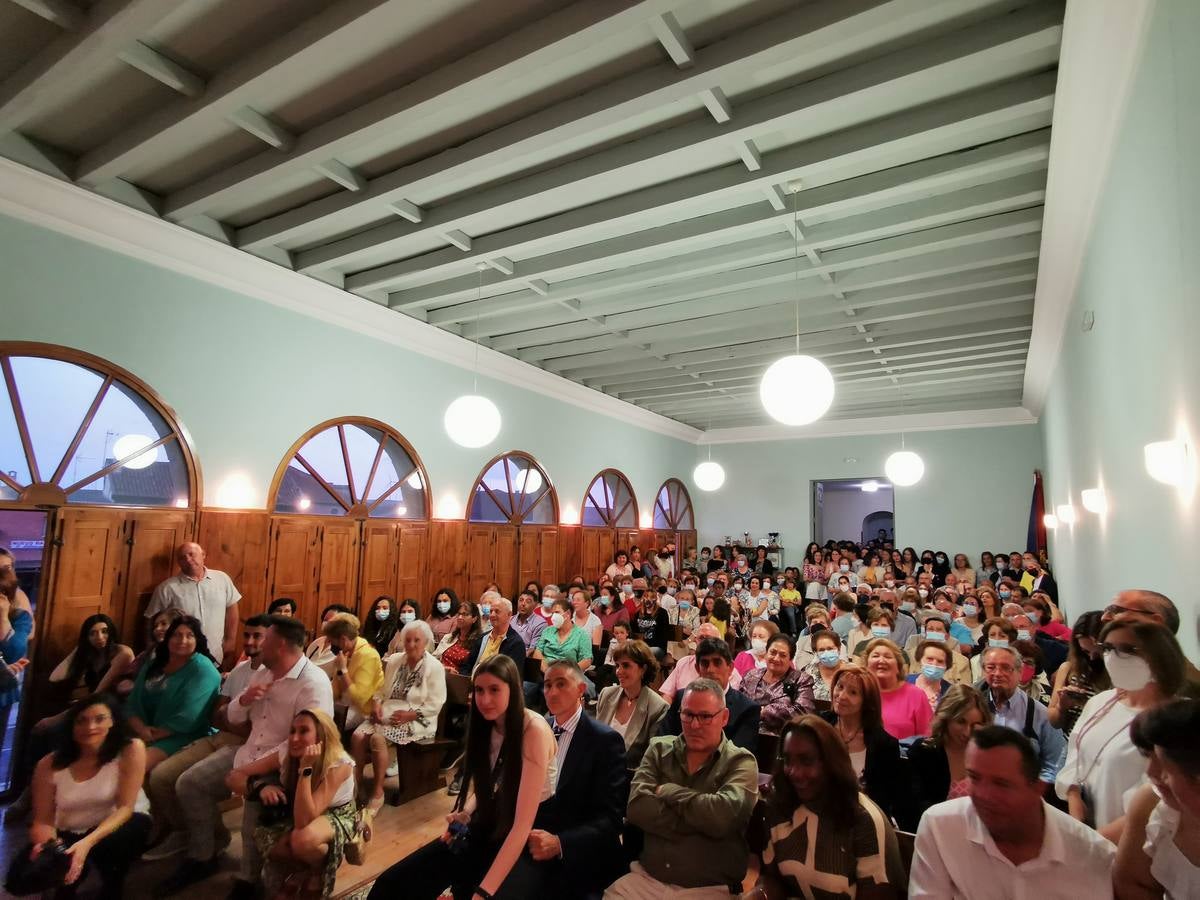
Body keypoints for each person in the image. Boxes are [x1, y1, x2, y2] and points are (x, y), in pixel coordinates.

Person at [161, 615, 334, 898]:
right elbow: (230, 716)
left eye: (263, 640)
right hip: (247, 751)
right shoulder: (263, 672)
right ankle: (205, 854)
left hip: (282, 765)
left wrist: (250, 772)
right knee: (190, 784)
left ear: (278, 645)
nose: (255, 646)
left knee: (253, 816)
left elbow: (307, 744)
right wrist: (245, 699)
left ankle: (248, 881)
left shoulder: (312, 683)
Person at [368, 655, 556, 900]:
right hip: (493, 814)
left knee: (470, 886)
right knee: (393, 883)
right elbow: (490, 785)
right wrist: (464, 815)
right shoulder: (487, 724)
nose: (485, 699)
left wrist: (483, 893)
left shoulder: (533, 730)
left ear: (515, 689)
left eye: (495, 690)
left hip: (529, 825)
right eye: (479, 690)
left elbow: (521, 825)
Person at [909, 726, 1115, 899]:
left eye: (1001, 784)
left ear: (1037, 789)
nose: (983, 795)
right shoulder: (941, 826)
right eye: (974, 777)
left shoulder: (1093, 856)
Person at [606, 678, 758, 898]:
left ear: (724, 717)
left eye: (705, 716)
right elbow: (636, 808)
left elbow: (722, 819)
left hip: (708, 888)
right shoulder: (659, 749)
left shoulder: (740, 762)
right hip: (646, 879)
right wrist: (701, 824)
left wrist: (668, 791)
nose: (694, 725)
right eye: (687, 714)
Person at [142, 615, 269, 862]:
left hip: (242, 745)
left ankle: (205, 849)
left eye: (257, 636)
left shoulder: (268, 675)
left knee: (189, 783)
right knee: (160, 777)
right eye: (247, 635)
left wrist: (230, 717)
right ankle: (187, 831)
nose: (250, 641)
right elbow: (215, 714)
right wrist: (230, 718)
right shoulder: (240, 671)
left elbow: (255, 728)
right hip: (218, 736)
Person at [750, 715, 904, 899]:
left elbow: (877, 893)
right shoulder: (780, 807)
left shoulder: (862, 819)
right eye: (787, 760)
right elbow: (773, 878)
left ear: (831, 763)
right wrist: (759, 895)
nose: (794, 772)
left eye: (806, 761)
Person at [1056, 621, 1188, 833]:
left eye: (1125, 649)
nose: (1112, 656)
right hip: (1089, 830)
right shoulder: (1101, 702)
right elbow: (1075, 755)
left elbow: (1157, 802)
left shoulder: (1176, 721)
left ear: (1157, 656)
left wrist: (1094, 843)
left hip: (1134, 840)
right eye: (1107, 648)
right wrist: (1075, 801)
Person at [19, 694, 151, 899]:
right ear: (70, 726)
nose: (90, 727)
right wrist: (53, 848)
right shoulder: (48, 764)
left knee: (116, 846)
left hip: (118, 821)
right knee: (58, 879)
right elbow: (43, 819)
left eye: (100, 719)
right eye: (81, 720)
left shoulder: (131, 748)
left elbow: (125, 807)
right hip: (69, 827)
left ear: (113, 721)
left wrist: (86, 844)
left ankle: (113, 883)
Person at [229, 709, 356, 898]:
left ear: (321, 735)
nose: (295, 738)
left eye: (304, 731)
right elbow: (234, 776)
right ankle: (307, 869)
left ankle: (316, 874)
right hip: (301, 810)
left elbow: (303, 821)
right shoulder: (285, 751)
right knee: (269, 842)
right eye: (292, 731)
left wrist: (306, 768)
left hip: (337, 813)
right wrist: (260, 787)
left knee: (302, 840)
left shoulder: (339, 764)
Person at [529, 660, 630, 899]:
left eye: (561, 684)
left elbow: (611, 820)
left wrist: (560, 843)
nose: (552, 692)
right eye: (547, 685)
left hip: (580, 854)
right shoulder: (537, 730)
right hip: (534, 843)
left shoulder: (605, 741)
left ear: (581, 690)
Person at [351, 619, 446, 812]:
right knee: (358, 736)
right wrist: (377, 703)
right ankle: (356, 785)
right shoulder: (395, 661)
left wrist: (410, 715)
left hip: (418, 717)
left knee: (377, 739)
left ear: (426, 641)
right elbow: (381, 690)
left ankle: (378, 792)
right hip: (389, 712)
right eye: (408, 640)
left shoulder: (434, 667)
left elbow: (436, 703)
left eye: (416, 640)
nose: (411, 645)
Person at [1116, 698, 1200, 900]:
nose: (1152, 773)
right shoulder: (1153, 806)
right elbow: (1131, 884)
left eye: (1164, 767)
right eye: (1148, 755)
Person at [125, 614, 222, 773]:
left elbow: (188, 717)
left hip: (182, 735)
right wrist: (140, 728)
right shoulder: (155, 662)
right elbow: (133, 700)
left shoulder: (204, 670)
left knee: (134, 766)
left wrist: (152, 736)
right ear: (168, 638)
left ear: (197, 640)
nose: (182, 640)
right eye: (177, 635)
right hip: (143, 729)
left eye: (189, 636)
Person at [820, 665, 907, 826]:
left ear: (867, 702)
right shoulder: (819, 725)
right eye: (840, 687)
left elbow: (884, 799)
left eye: (853, 692)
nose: (842, 696)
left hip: (862, 821)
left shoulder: (883, 743)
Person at [977, 643, 1065, 790]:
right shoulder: (972, 706)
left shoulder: (1039, 714)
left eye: (1006, 668)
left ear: (1020, 672)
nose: (998, 673)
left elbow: (1055, 763)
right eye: (991, 667)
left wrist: (1034, 789)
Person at [146, 542, 241, 667]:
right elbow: (151, 620)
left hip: (217, 656)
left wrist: (230, 641)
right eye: (182, 557)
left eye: (191, 554)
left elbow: (232, 609)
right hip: (180, 658)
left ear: (203, 555)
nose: (188, 559)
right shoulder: (167, 588)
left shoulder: (222, 579)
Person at [656, 637, 759, 753]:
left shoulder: (747, 709)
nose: (710, 669)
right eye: (705, 663)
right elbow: (662, 742)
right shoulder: (681, 698)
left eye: (717, 662)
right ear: (697, 669)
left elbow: (739, 756)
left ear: (730, 668)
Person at [907, 684, 992, 822]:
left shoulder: (987, 755)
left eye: (975, 725)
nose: (967, 732)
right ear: (946, 719)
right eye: (960, 722)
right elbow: (915, 807)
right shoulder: (924, 752)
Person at [596, 639, 669, 769]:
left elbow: (649, 762)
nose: (618, 671)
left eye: (626, 665)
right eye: (617, 665)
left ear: (643, 669)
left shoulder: (658, 708)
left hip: (629, 779)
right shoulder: (606, 695)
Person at [738, 633, 816, 735]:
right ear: (766, 653)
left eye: (782, 655)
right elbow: (739, 704)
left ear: (790, 659)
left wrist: (763, 712)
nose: (776, 658)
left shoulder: (801, 680)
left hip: (783, 739)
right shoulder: (751, 676)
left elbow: (803, 712)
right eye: (773, 652)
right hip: (746, 735)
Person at [1047, 610, 1109, 736]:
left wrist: (1087, 704)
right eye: (1085, 652)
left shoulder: (1117, 674)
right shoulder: (1068, 669)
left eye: (1098, 653)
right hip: (1072, 743)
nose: (1092, 658)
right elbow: (1054, 722)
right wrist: (1062, 707)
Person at [49, 614, 134, 699]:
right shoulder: (93, 653)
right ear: (87, 638)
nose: (100, 637)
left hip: (119, 703)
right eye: (92, 633)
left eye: (104, 631)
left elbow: (99, 692)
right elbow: (54, 678)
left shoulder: (123, 653)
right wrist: (78, 649)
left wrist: (68, 712)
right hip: (99, 700)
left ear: (111, 632)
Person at [323, 612, 384, 730]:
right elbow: (335, 690)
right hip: (342, 704)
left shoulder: (368, 655)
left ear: (343, 640)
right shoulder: (345, 652)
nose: (330, 645)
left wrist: (343, 670)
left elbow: (359, 698)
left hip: (362, 709)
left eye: (331, 641)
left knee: (326, 728)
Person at [863, 638, 932, 740]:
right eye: (875, 656)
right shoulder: (860, 692)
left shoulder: (916, 695)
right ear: (867, 664)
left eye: (888, 656)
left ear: (898, 666)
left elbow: (927, 737)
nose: (881, 660)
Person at [658, 623, 743, 702]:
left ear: (719, 642)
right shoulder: (683, 663)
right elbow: (667, 694)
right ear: (696, 641)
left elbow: (731, 701)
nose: (704, 642)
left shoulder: (729, 670)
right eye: (701, 638)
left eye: (709, 638)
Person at [303, 604, 353, 678]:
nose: (327, 623)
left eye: (332, 621)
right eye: (325, 620)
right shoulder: (316, 643)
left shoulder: (344, 647)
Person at [435, 599, 483, 675]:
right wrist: (444, 668)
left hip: (460, 680)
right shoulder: (449, 637)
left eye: (465, 614)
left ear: (474, 619)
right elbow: (434, 659)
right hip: (440, 673)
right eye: (459, 614)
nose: (460, 617)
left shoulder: (479, 642)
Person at [907, 639, 953, 713]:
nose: (934, 664)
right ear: (919, 660)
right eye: (930, 659)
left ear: (946, 666)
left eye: (940, 661)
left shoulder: (951, 692)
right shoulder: (903, 683)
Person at [805, 628, 845, 702]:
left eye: (830, 649)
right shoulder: (809, 672)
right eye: (821, 650)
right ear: (816, 652)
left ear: (838, 648)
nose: (826, 653)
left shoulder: (851, 670)